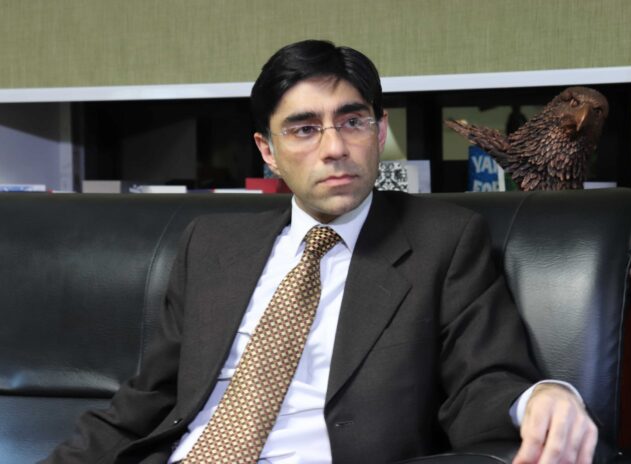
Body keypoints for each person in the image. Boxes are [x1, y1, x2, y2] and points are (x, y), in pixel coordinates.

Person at [43, 39, 597, 464]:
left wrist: (540, 398)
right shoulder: (210, 245)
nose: (335, 147)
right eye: (304, 130)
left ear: (379, 130)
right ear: (268, 151)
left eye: (353, 121)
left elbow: (483, 379)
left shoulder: (444, 240)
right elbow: (146, 400)